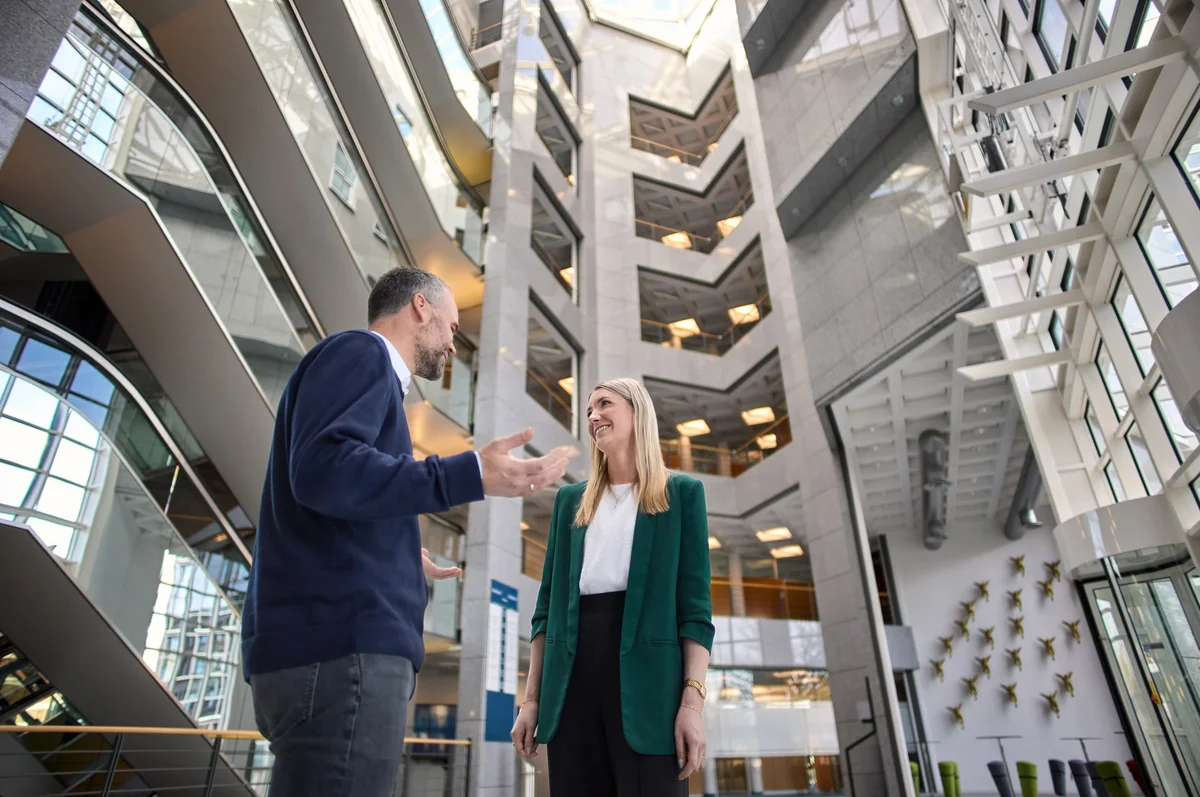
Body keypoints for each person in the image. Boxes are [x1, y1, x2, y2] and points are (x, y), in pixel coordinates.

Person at [242, 266, 571, 797]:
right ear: (421, 306)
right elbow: (324, 471)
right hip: (344, 651)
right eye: (452, 327)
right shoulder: (362, 353)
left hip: (324, 650)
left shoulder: (360, 374)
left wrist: (395, 547)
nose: (453, 345)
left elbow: (331, 486)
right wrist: (468, 473)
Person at [511, 377, 715, 796]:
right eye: (589, 410)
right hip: (571, 679)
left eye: (605, 404)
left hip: (651, 688)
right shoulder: (571, 501)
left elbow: (695, 613)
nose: (593, 416)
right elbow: (545, 611)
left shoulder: (682, 494)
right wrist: (531, 700)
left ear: (638, 412)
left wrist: (691, 705)